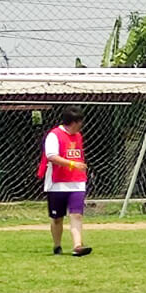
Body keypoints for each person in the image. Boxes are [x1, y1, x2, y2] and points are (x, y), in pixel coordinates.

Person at [37, 106, 92, 257]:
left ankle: (77, 246)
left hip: (77, 182)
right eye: (80, 122)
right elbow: (51, 156)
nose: (81, 125)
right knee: (57, 218)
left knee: (76, 215)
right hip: (57, 184)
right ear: (74, 122)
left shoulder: (78, 136)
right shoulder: (54, 135)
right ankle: (57, 245)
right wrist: (72, 164)